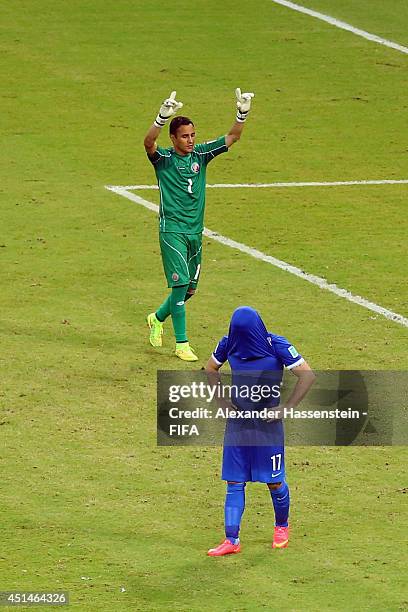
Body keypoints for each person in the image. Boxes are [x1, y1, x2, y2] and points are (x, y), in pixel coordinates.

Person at [144, 89, 255, 361]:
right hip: (173, 231)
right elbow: (148, 143)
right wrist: (160, 118)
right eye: (184, 136)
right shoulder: (165, 160)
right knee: (179, 285)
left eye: (192, 135)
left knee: (190, 289)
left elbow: (233, 137)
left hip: (196, 231)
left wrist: (242, 113)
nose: (190, 140)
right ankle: (182, 343)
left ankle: (157, 318)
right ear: (173, 138)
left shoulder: (202, 155)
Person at [205, 306, 316, 556]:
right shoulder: (228, 344)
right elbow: (210, 368)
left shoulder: (276, 345)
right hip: (239, 424)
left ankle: (281, 526)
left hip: (267, 427)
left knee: (274, 482)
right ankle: (231, 540)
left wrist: (285, 408)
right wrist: (222, 403)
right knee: (234, 481)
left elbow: (307, 376)